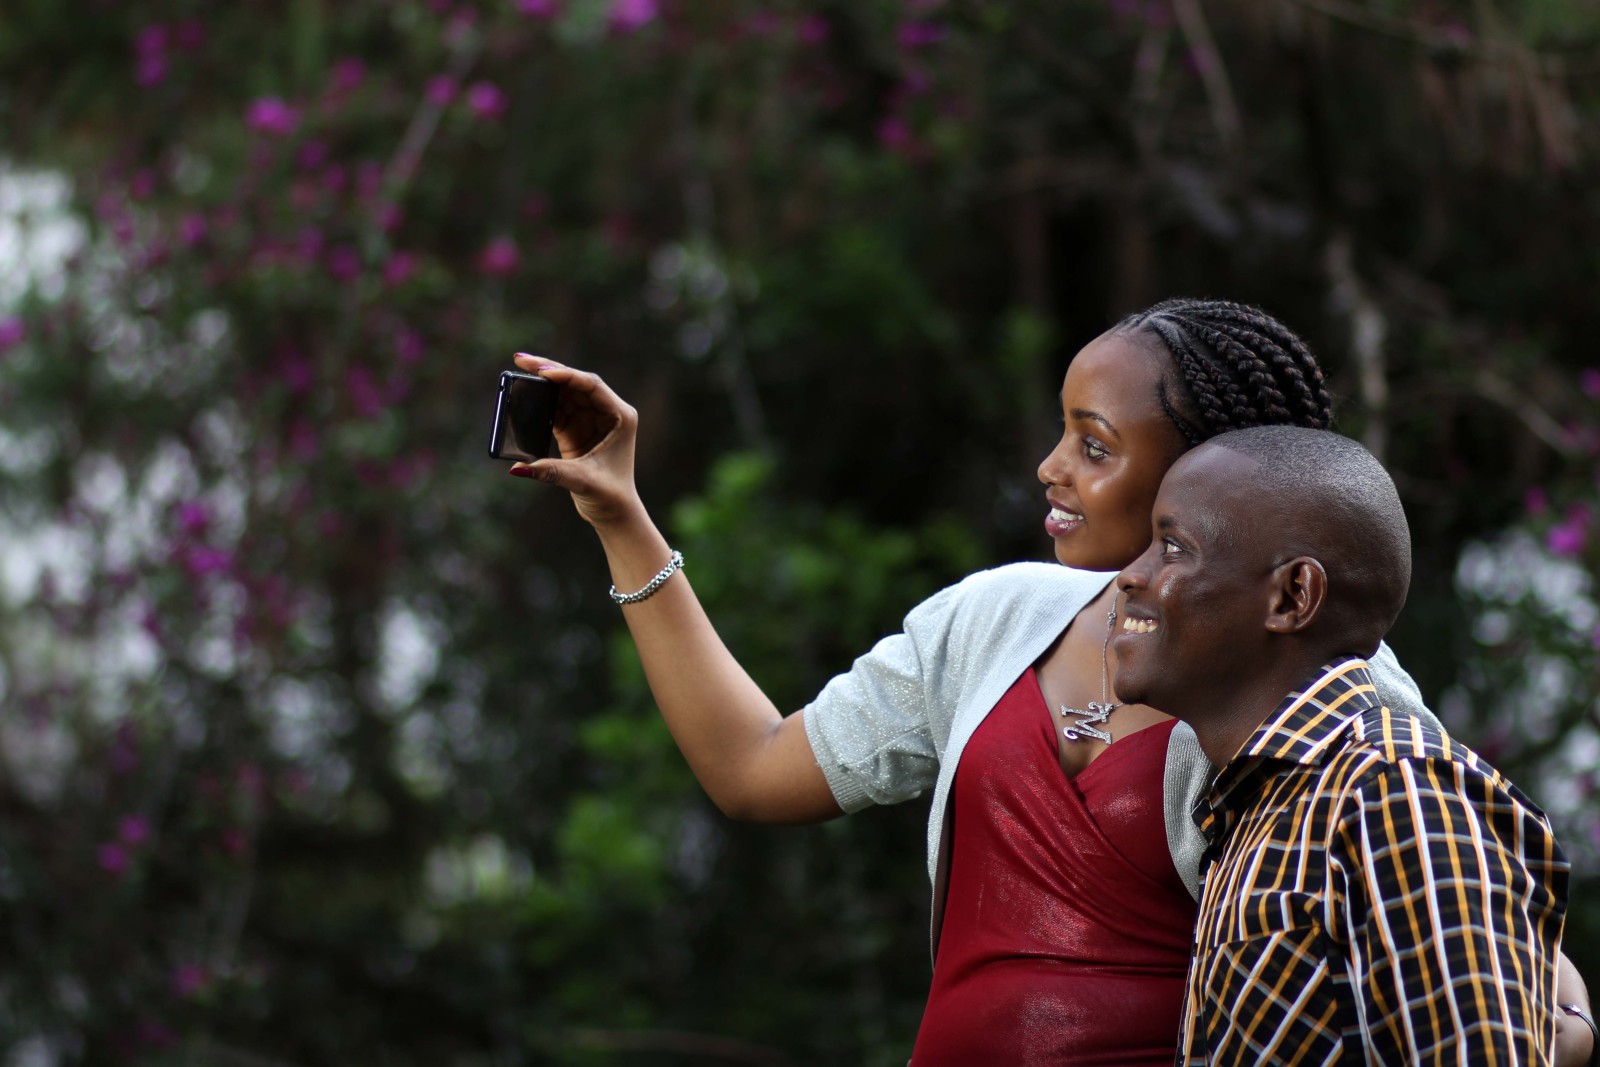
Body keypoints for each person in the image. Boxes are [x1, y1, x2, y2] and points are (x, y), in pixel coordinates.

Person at [505, 298, 1591, 1064]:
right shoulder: (996, 617)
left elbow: (1491, 949)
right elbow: (752, 769)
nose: (1051, 468)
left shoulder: (1313, 680)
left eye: (1093, 443)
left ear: (1212, 470)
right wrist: (621, 518)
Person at [1110, 426, 1569, 1062]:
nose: (1130, 576)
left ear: (1293, 596)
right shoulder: (1252, 810)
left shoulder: (1395, 788)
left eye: (1172, 548)